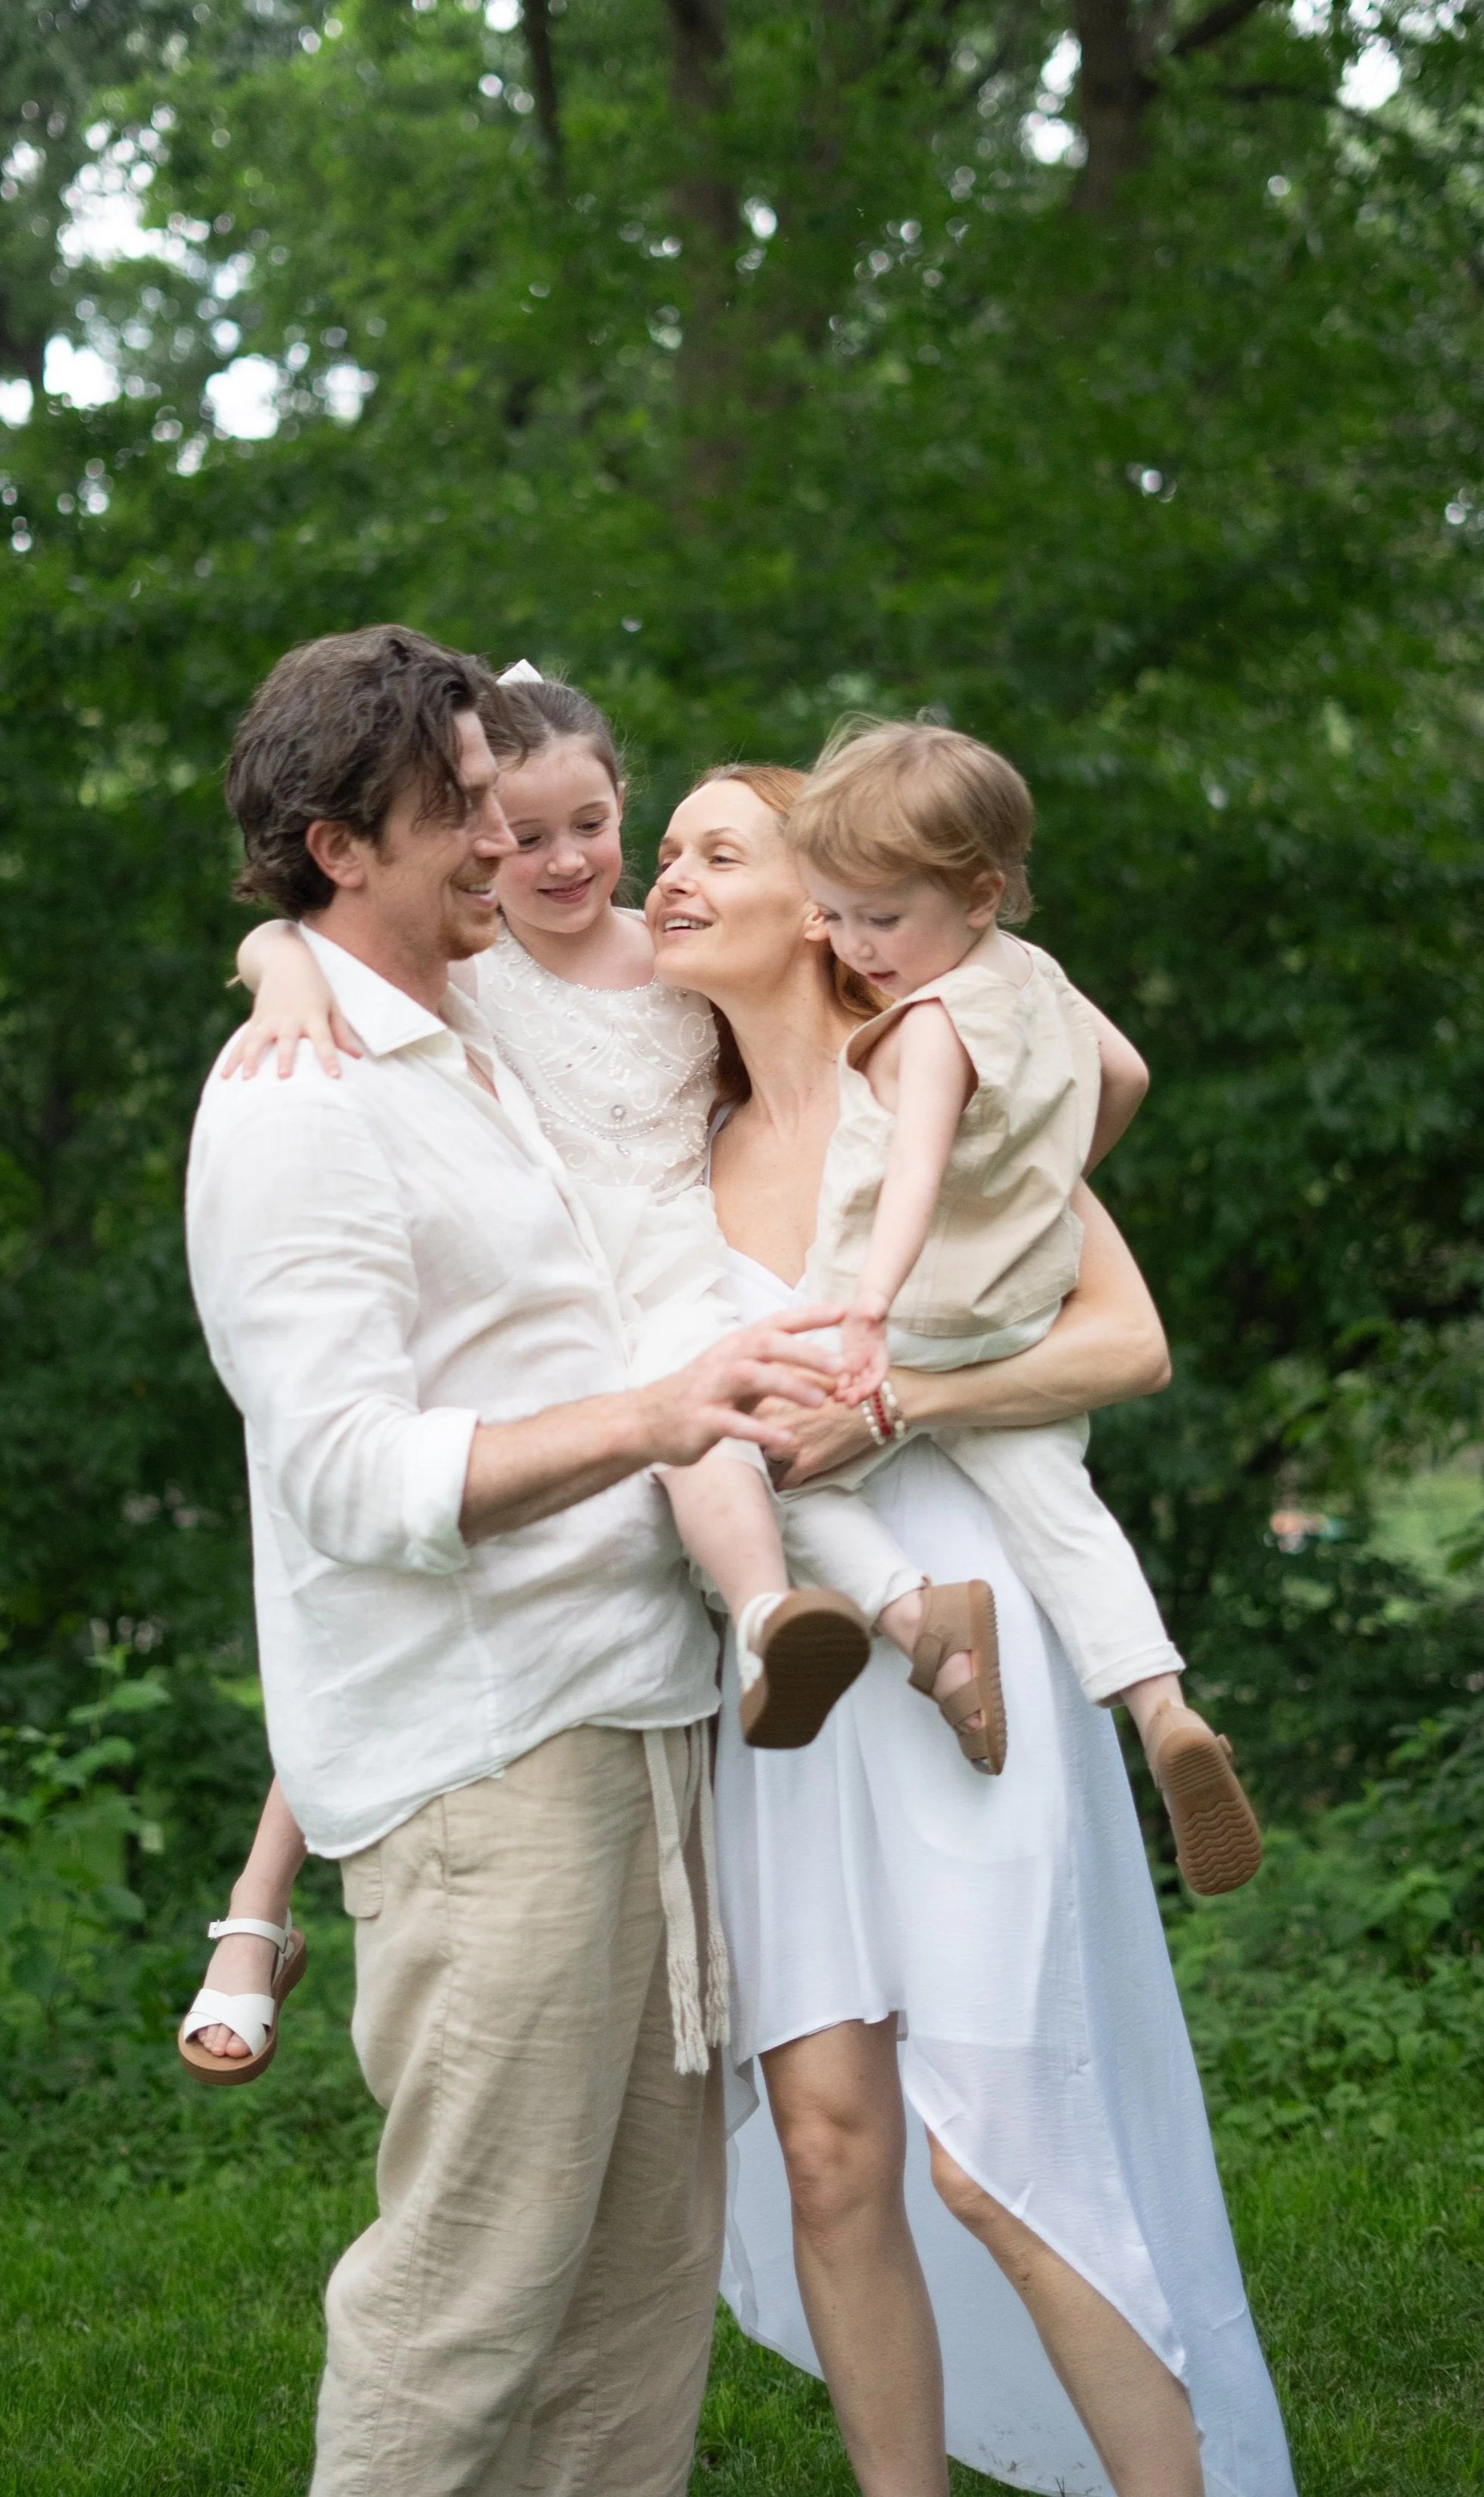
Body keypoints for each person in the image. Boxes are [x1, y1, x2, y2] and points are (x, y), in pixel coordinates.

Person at [181, 623, 850, 2497]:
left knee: (635, 2300)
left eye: (503, 797)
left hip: (635, 1722)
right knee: (469, 2309)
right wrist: (655, 1417)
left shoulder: (459, 1022)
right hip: (488, 1773)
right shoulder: (294, 1106)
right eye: (461, 810)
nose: (506, 838)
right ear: (343, 848)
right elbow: (337, 1470)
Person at [184, 674, 1011, 2081]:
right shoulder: (468, 967)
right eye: (515, 828)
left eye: (597, 824)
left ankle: (781, 1621)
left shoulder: (672, 959)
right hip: (568, 1303)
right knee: (381, 1543)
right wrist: (280, 960)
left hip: (666, 1263)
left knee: (713, 1428)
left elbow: (865, 1007)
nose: (559, 860)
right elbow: (321, 941)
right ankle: (252, 1912)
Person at [648, 761, 1297, 2497]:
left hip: (970, 1638)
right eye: (662, 852)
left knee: (1004, 2153)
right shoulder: (677, 1157)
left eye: (714, 849)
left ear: (826, 906)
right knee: (830, 2149)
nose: (662, 878)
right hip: (801, 1671)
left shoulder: (942, 1092)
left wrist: (906, 1399)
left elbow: (1124, 1346)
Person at [779, 716, 1261, 1893]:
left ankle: (918, 1621)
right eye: (834, 914)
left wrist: (870, 1309)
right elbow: (1130, 1072)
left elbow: (916, 1175)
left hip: (912, 1308)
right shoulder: (1037, 979)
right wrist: (1050, 1184)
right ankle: (1162, 1711)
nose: (853, 945)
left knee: (774, 1476)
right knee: (1061, 1512)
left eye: (879, 918)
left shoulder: (932, 1024)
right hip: (1019, 1312)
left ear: (982, 892)